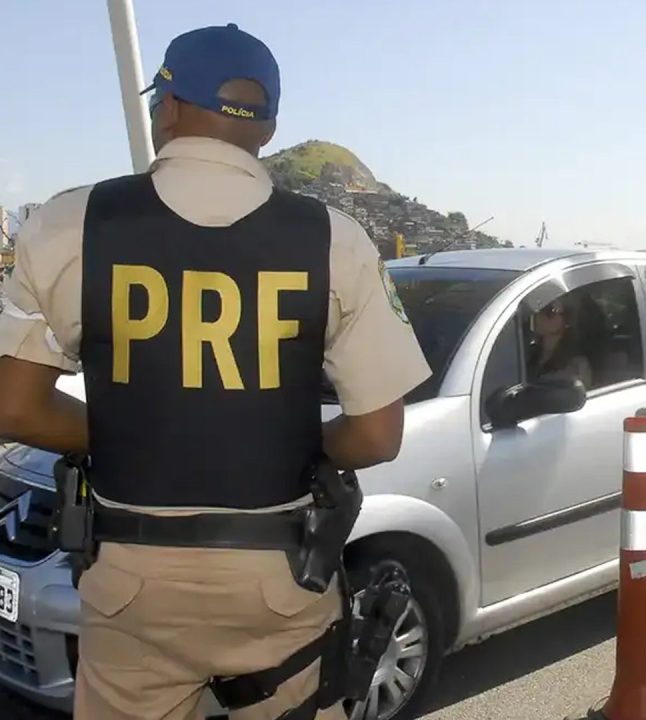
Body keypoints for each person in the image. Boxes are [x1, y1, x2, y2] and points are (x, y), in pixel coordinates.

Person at [0, 24, 430, 720]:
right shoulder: (335, 239)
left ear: (168, 107)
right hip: (281, 577)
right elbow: (379, 436)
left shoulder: (69, 223)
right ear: (268, 127)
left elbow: (16, 408)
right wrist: (291, 447)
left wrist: (131, 435)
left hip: (132, 582)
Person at [528, 297, 593, 389]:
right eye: (539, 311)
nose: (539, 316)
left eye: (550, 312)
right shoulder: (526, 354)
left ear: (566, 320)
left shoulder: (577, 364)